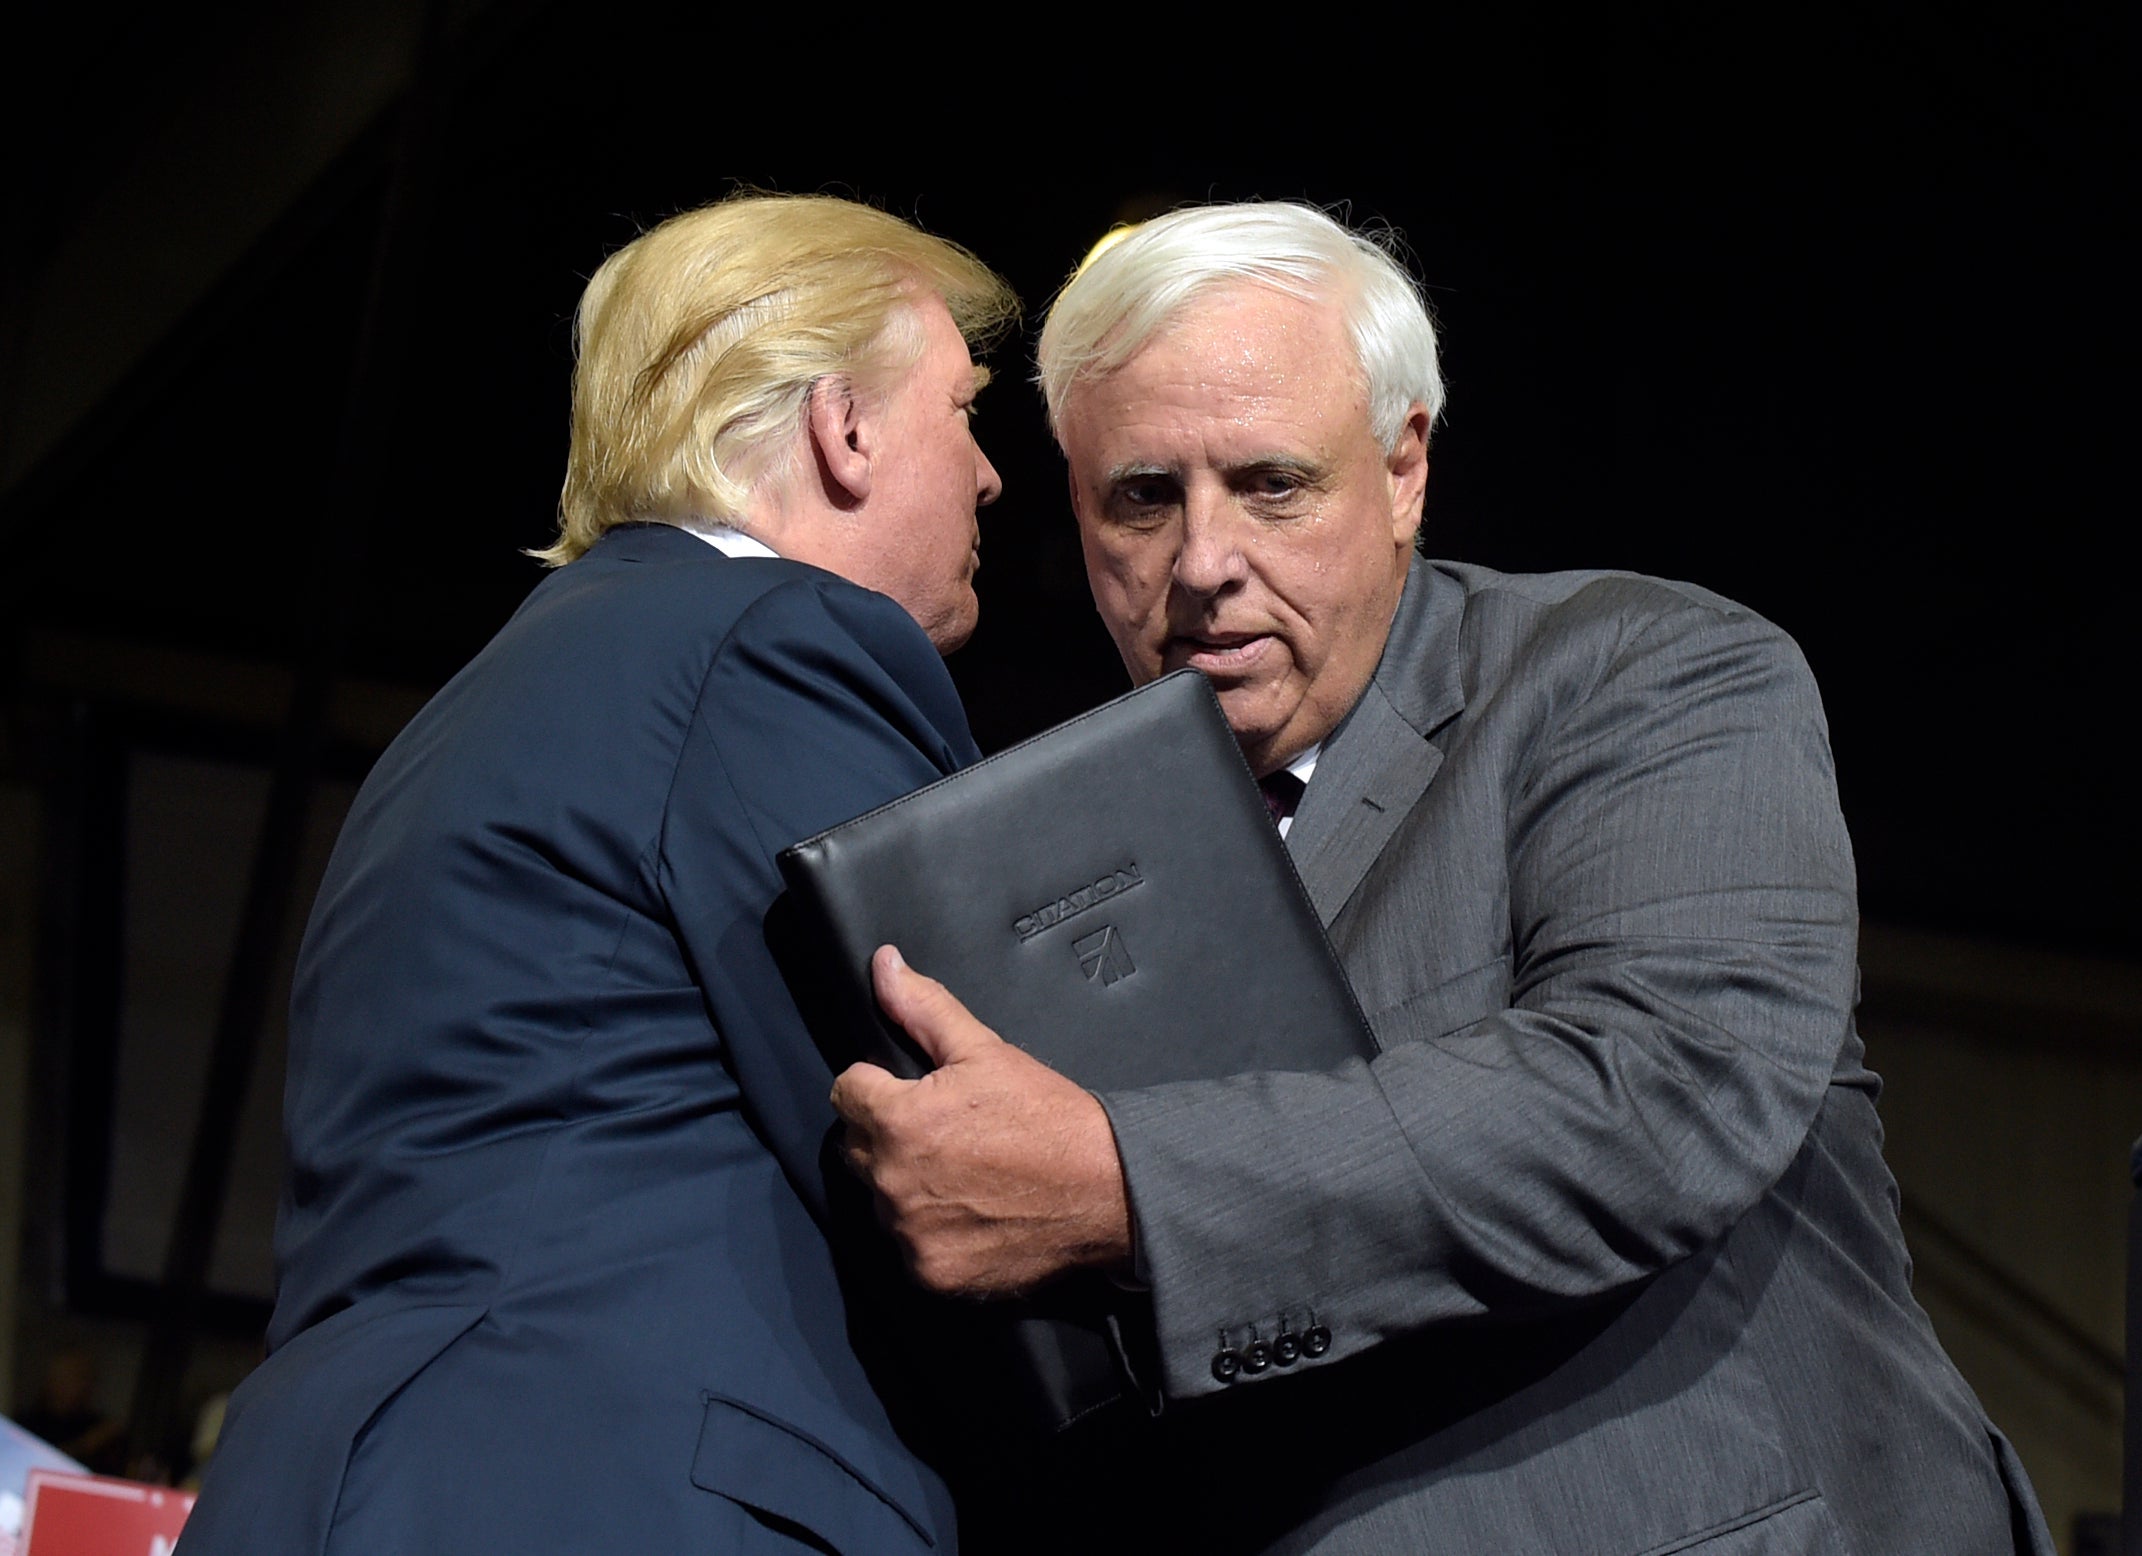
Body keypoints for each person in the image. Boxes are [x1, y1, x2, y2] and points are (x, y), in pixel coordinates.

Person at [831, 203, 2057, 1555]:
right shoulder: (1030, 855)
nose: (1201, 563)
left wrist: (1127, 1186)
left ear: (1403, 466)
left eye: (1270, 483)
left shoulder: (1643, 674)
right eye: (1141, 497)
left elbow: (1660, 1092)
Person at [178, 193, 1016, 1555]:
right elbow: (970, 1115)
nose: (987, 475)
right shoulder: (774, 639)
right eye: (963, 409)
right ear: (844, 426)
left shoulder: (485, 704)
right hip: (620, 1491)